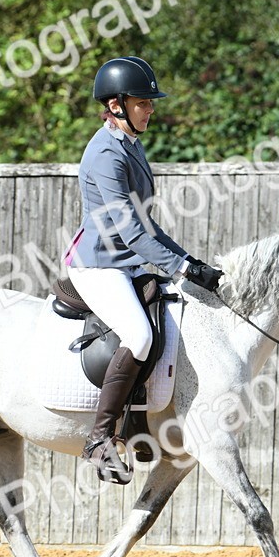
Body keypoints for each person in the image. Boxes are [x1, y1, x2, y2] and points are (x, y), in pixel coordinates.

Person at [62, 56, 225, 482]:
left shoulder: (131, 145)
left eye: (150, 102)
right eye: (143, 102)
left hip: (126, 260)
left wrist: (189, 261)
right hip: (99, 264)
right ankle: (99, 440)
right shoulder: (105, 155)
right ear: (116, 104)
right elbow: (133, 232)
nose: (151, 108)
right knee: (138, 334)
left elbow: (148, 225)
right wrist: (184, 270)